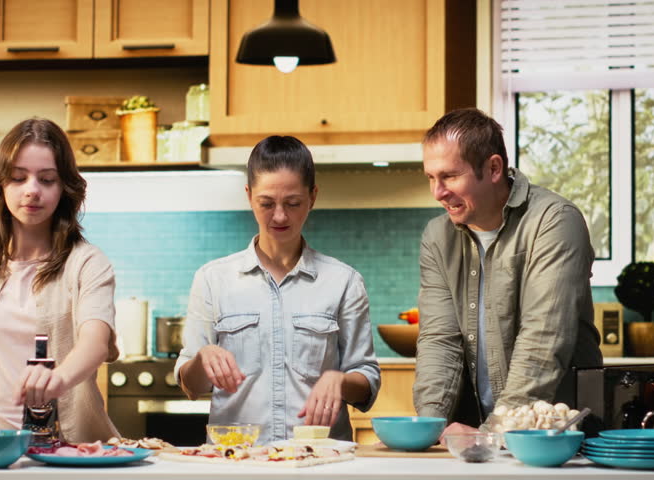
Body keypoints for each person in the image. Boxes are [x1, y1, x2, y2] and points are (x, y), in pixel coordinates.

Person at [175, 135, 381, 445]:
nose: (280, 216)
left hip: (320, 460)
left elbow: (367, 380)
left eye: (293, 203)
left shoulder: (343, 282)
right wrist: (202, 359)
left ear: (312, 197)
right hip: (236, 462)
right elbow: (191, 386)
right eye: (267, 203)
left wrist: (340, 381)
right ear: (249, 196)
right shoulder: (212, 279)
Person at [412, 108, 602, 437]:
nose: (438, 192)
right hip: (480, 436)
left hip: (558, 437)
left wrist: (498, 431)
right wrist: (430, 426)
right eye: (431, 177)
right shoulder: (437, 237)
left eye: (449, 176)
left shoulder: (555, 221)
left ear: (494, 168)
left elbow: (543, 338)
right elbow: (439, 341)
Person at [0, 118, 120, 442]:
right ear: (1, 185)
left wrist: (59, 379)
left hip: (69, 451)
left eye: (47, 179)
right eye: (18, 177)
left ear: (64, 189)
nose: (32, 190)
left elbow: (95, 343)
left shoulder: (87, 264)